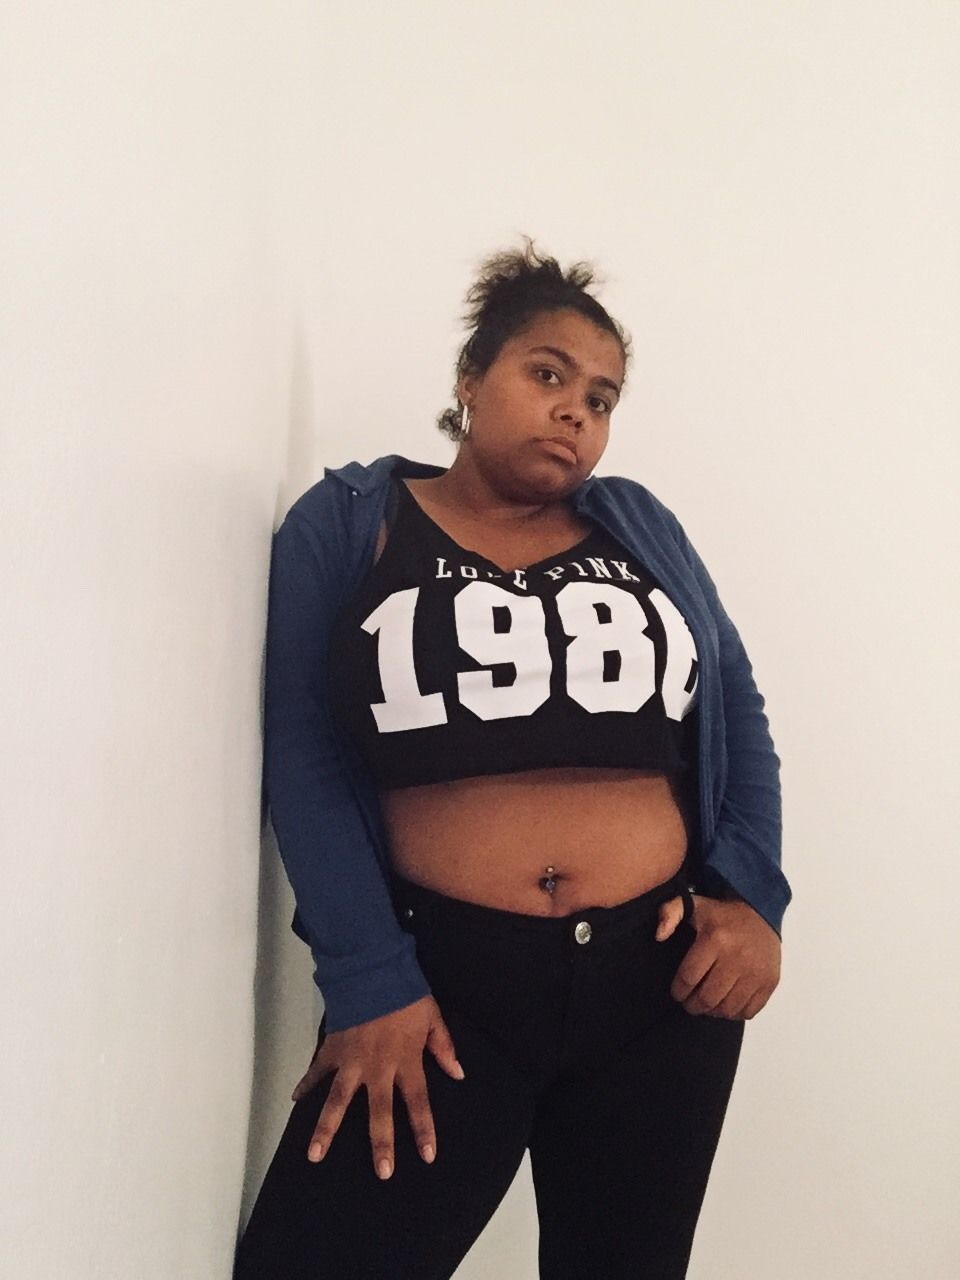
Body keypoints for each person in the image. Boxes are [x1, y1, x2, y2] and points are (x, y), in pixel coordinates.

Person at [233, 238, 789, 1280]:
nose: (576, 411)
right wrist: (366, 978)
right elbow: (304, 749)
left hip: (657, 991)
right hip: (439, 995)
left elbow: (733, 701)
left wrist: (753, 894)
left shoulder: (638, 529)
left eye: (602, 398)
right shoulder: (351, 523)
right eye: (548, 374)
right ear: (469, 378)